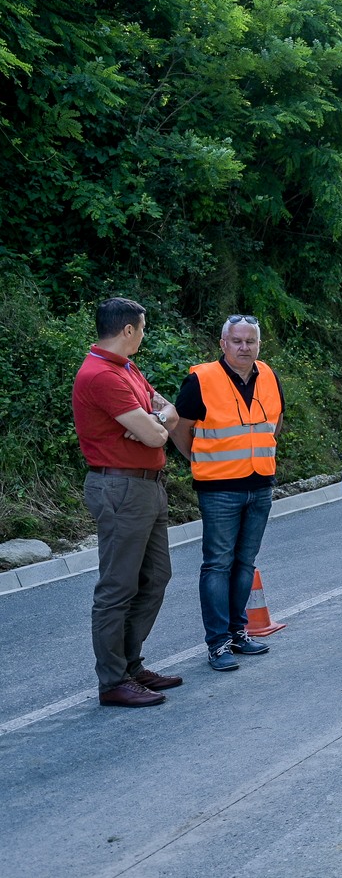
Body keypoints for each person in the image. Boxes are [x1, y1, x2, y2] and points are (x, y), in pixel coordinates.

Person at [72, 297, 183, 707]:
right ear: (128, 330)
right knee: (117, 587)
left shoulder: (126, 368)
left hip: (147, 485)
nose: (143, 334)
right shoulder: (101, 375)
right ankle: (113, 681)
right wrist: (155, 425)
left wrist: (153, 422)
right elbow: (160, 433)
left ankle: (131, 666)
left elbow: (169, 413)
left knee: (155, 578)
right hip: (120, 488)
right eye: (142, 327)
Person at [169, 315, 284, 670]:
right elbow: (178, 427)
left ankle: (238, 632)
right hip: (218, 488)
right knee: (218, 564)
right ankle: (217, 643)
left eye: (250, 341)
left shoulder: (268, 375)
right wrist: (200, 459)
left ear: (258, 345)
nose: (244, 347)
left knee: (244, 563)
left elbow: (275, 423)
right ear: (223, 344)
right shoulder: (201, 380)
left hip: (259, 484)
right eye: (236, 341)